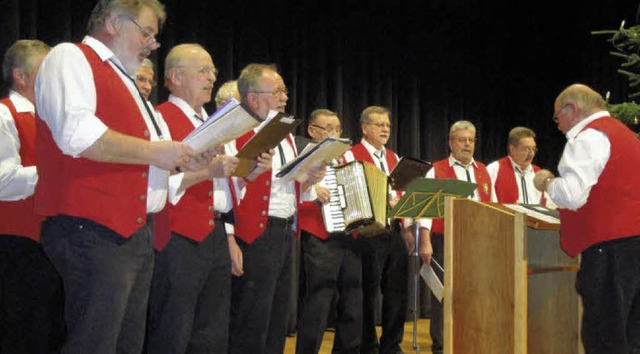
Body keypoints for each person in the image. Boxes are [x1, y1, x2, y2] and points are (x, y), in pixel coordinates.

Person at [33, 1, 196, 352]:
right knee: (95, 344)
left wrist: (183, 159)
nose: (152, 44)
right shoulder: (70, 57)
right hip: (92, 229)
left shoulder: (124, 79)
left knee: (124, 344)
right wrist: (158, 152)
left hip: (131, 232)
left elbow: (141, 153)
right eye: (146, 33)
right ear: (112, 22)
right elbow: (77, 134)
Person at [145, 43, 241, 354]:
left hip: (213, 234)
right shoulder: (159, 119)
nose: (212, 77)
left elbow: (222, 193)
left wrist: (228, 235)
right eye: (203, 70)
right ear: (174, 76)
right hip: (176, 237)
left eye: (212, 70)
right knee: (172, 329)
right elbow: (156, 185)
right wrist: (206, 173)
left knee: (211, 332)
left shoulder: (212, 122)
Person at [533, 83, 640, 354]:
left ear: (572, 109)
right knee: (630, 334)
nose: (558, 126)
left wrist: (547, 182)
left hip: (610, 251)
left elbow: (571, 195)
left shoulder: (587, 138)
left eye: (558, 117)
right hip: (632, 247)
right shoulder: (626, 135)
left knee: (605, 336)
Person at [227, 63, 322, 354]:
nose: (284, 97)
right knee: (252, 318)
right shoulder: (237, 130)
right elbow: (225, 188)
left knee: (277, 316)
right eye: (277, 91)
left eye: (285, 91)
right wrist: (229, 237)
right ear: (253, 98)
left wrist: (309, 182)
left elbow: (284, 187)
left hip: (284, 232)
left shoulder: (287, 134)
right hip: (255, 232)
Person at [0, 39, 65, 354]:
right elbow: (3, 182)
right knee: (24, 332)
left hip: (56, 241)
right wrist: (57, 170)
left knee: (52, 330)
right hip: (17, 244)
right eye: (45, 72)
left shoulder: (54, 120)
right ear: (20, 76)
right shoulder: (4, 114)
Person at [416, 120, 493, 354]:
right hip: (445, 239)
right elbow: (424, 209)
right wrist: (425, 241)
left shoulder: (483, 171)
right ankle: (441, 346)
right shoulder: (436, 169)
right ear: (451, 143)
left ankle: (469, 341)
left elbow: (495, 206)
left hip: (478, 242)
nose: (467, 144)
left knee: (474, 293)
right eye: (461, 140)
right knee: (444, 296)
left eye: (470, 140)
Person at [342, 105, 409, 354]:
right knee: (368, 292)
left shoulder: (394, 158)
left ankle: (391, 345)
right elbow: (351, 193)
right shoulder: (351, 155)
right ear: (364, 128)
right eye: (379, 124)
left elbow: (402, 191)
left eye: (388, 125)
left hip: (394, 230)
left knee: (396, 291)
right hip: (367, 234)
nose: (385, 129)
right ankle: (368, 345)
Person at [295, 109, 363, 354]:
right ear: (312, 131)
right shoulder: (303, 155)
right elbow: (290, 195)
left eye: (338, 129)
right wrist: (314, 192)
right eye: (329, 129)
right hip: (319, 235)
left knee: (353, 300)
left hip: (349, 235)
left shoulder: (345, 157)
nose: (335, 133)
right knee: (319, 300)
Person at [487, 126, 547, 206]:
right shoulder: (495, 169)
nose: (532, 154)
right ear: (512, 149)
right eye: (527, 149)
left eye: (533, 149)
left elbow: (547, 204)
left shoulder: (538, 173)